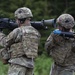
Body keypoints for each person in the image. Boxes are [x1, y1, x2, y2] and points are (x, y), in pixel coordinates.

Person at [0, 7, 41, 75]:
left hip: (17, 65)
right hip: (30, 65)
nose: (16, 21)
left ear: (20, 20)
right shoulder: (36, 32)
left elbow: (5, 42)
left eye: (17, 19)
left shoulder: (18, 31)